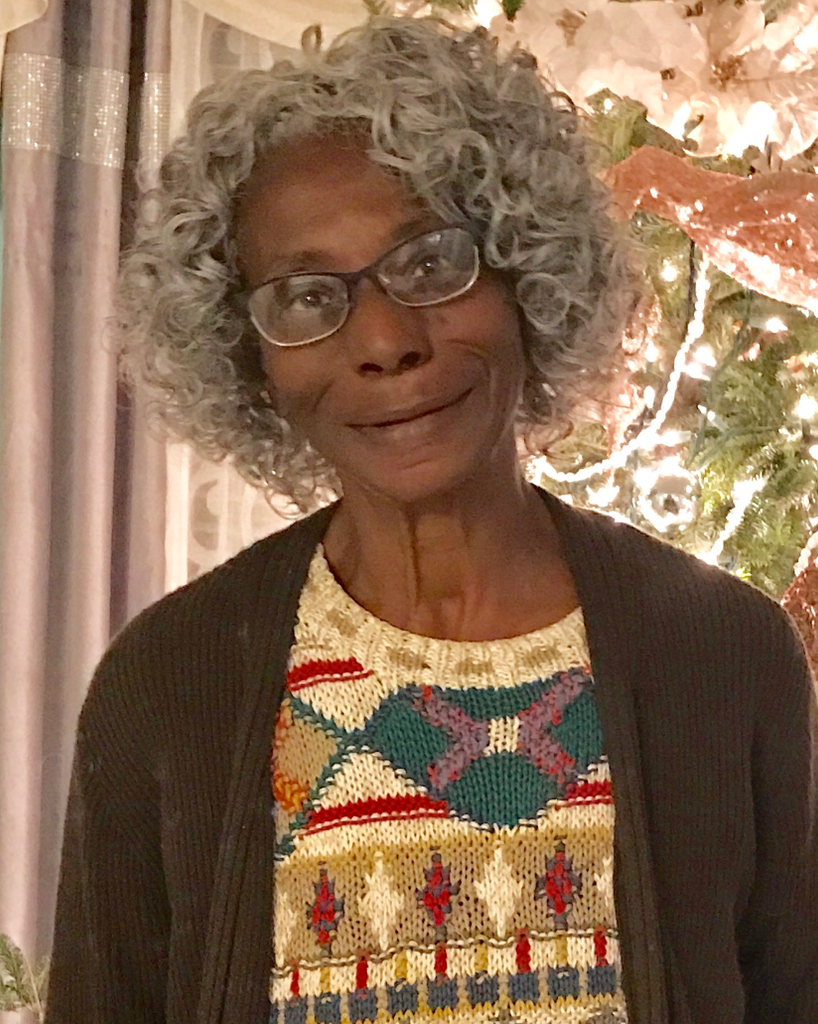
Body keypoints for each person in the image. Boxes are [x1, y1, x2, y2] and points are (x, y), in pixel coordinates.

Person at [45, 16, 817, 1024]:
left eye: (429, 263)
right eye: (306, 296)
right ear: (249, 355)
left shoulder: (724, 653)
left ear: (525, 272)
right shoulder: (165, 684)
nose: (384, 340)